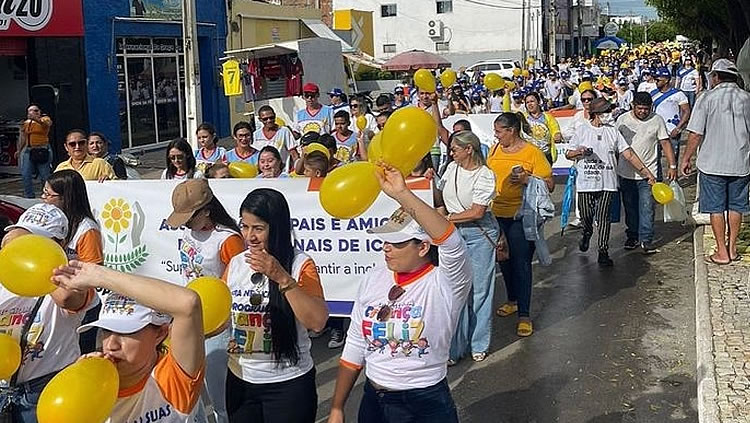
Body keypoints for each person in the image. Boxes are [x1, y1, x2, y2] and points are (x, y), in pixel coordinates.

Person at [328, 164, 471, 423]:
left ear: (423, 247)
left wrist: (402, 193)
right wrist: (338, 406)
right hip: (374, 400)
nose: (386, 248)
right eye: (385, 240)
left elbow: (451, 241)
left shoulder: (446, 282)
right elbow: (356, 343)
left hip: (425, 402)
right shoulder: (374, 278)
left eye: (397, 243)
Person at [52, 260, 205, 421]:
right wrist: (78, 385)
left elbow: (188, 303)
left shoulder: (172, 381)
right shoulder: (91, 384)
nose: (111, 345)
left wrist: (99, 275)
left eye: (126, 332)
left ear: (160, 333)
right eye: (106, 330)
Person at [224, 188, 328, 422]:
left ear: (277, 227)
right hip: (241, 380)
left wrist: (281, 277)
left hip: (288, 384)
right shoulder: (236, 263)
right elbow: (220, 316)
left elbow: (317, 321)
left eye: (258, 228)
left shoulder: (300, 264)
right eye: (244, 226)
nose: (250, 236)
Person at [0, 204, 97, 423]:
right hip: (6, 387)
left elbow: (68, 299)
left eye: (33, 242)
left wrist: (44, 264)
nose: (23, 249)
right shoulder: (6, 275)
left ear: (59, 245)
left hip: (46, 388)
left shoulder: (74, 281)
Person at [166, 179, 245, 423]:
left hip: (219, 324)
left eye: (190, 217)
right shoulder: (191, 233)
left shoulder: (227, 239)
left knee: (218, 393)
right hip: (189, 317)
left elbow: (238, 280)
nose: (186, 224)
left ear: (207, 211)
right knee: (187, 389)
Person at [566, 98, 656, 267]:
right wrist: (580, 152)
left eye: (609, 111)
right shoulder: (582, 130)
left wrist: (647, 173)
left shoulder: (613, 132)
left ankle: (603, 251)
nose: (609, 115)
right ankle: (586, 232)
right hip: (586, 183)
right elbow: (568, 154)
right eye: (605, 112)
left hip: (607, 182)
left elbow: (628, 154)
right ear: (596, 114)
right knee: (586, 216)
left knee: (604, 217)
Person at [488, 112, 553, 337]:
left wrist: (528, 180)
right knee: (503, 259)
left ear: (512, 130)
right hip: (496, 214)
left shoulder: (532, 153)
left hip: (522, 216)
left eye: (499, 131)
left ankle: (524, 314)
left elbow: (550, 184)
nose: (496, 136)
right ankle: (512, 300)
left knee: (522, 263)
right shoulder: (495, 150)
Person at [681, 59, 750, 265]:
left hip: (712, 163)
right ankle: (732, 248)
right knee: (736, 207)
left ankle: (721, 251)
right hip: (741, 162)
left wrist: (686, 158)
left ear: (716, 77)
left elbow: (695, 134)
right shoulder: (747, 99)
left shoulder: (706, 99)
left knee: (716, 208)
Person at [438, 131, 498, 364]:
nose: (451, 153)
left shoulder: (485, 175)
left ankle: (478, 343)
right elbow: (440, 197)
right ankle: (455, 347)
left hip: (478, 232)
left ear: (468, 150)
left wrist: (446, 219)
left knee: (480, 290)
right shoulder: (451, 169)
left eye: (454, 149)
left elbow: (477, 211)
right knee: (453, 291)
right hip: (452, 232)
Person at [616, 92, 676, 253]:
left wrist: (672, 165)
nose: (642, 112)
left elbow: (665, 143)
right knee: (630, 207)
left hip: (649, 175)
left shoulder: (657, 120)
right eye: (639, 108)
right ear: (632, 106)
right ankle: (632, 236)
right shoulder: (622, 120)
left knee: (647, 207)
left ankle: (646, 239)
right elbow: (615, 145)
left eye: (646, 109)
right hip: (625, 173)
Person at [651, 67, 690, 179]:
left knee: (672, 160)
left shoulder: (678, 94)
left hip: (672, 132)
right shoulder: (653, 94)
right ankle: (658, 183)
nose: (656, 81)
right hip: (656, 132)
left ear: (666, 80)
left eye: (658, 79)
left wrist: (678, 128)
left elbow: (686, 111)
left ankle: (673, 183)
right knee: (655, 160)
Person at [17, 104, 53, 198]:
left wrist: (36, 118)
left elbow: (46, 124)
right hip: (29, 150)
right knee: (25, 174)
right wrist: (19, 150)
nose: (33, 113)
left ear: (40, 112)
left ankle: (46, 195)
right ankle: (29, 196)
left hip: (42, 149)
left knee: (44, 175)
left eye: (36, 111)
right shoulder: (26, 123)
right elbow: (23, 137)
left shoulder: (45, 119)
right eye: (30, 111)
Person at [524, 92, 562, 164]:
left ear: (539, 102)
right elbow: (507, 112)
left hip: (545, 156)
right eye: (527, 102)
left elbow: (555, 129)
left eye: (532, 101)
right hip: (528, 156)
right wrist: (507, 94)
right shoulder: (523, 118)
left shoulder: (547, 117)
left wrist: (557, 134)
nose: (530, 104)